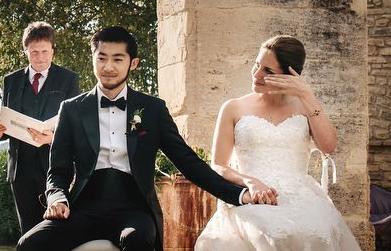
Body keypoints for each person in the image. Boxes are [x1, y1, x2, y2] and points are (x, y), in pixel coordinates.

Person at [17, 26, 267, 251]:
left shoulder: (153, 109)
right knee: (29, 244)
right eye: (101, 58)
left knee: (137, 240)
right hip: (83, 206)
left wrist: (238, 195)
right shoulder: (72, 109)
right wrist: (57, 198)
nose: (108, 66)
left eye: (118, 59)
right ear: (92, 59)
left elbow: (189, 163)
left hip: (133, 208)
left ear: (133, 63)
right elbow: (57, 171)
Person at [194, 34, 361, 250]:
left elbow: (329, 146)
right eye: (256, 65)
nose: (257, 74)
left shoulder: (305, 107)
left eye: (268, 71)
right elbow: (218, 166)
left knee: (314, 234)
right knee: (266, 233)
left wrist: (306, 94)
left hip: (301, 197)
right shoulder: (233, 108)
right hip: (253, 196)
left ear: (289, 76)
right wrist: (250, 182)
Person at [0, 21, 80, 235]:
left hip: (55, 167)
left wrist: (52, 138)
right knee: (28, 231)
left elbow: (74, 125)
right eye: (34, 52)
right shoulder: (10, 81)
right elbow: (7, 118)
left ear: (53, 51)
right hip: (20, 169)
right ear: (25, 51)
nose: (40, 57)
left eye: (45, 52)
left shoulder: (69, 79)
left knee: (57, 231)